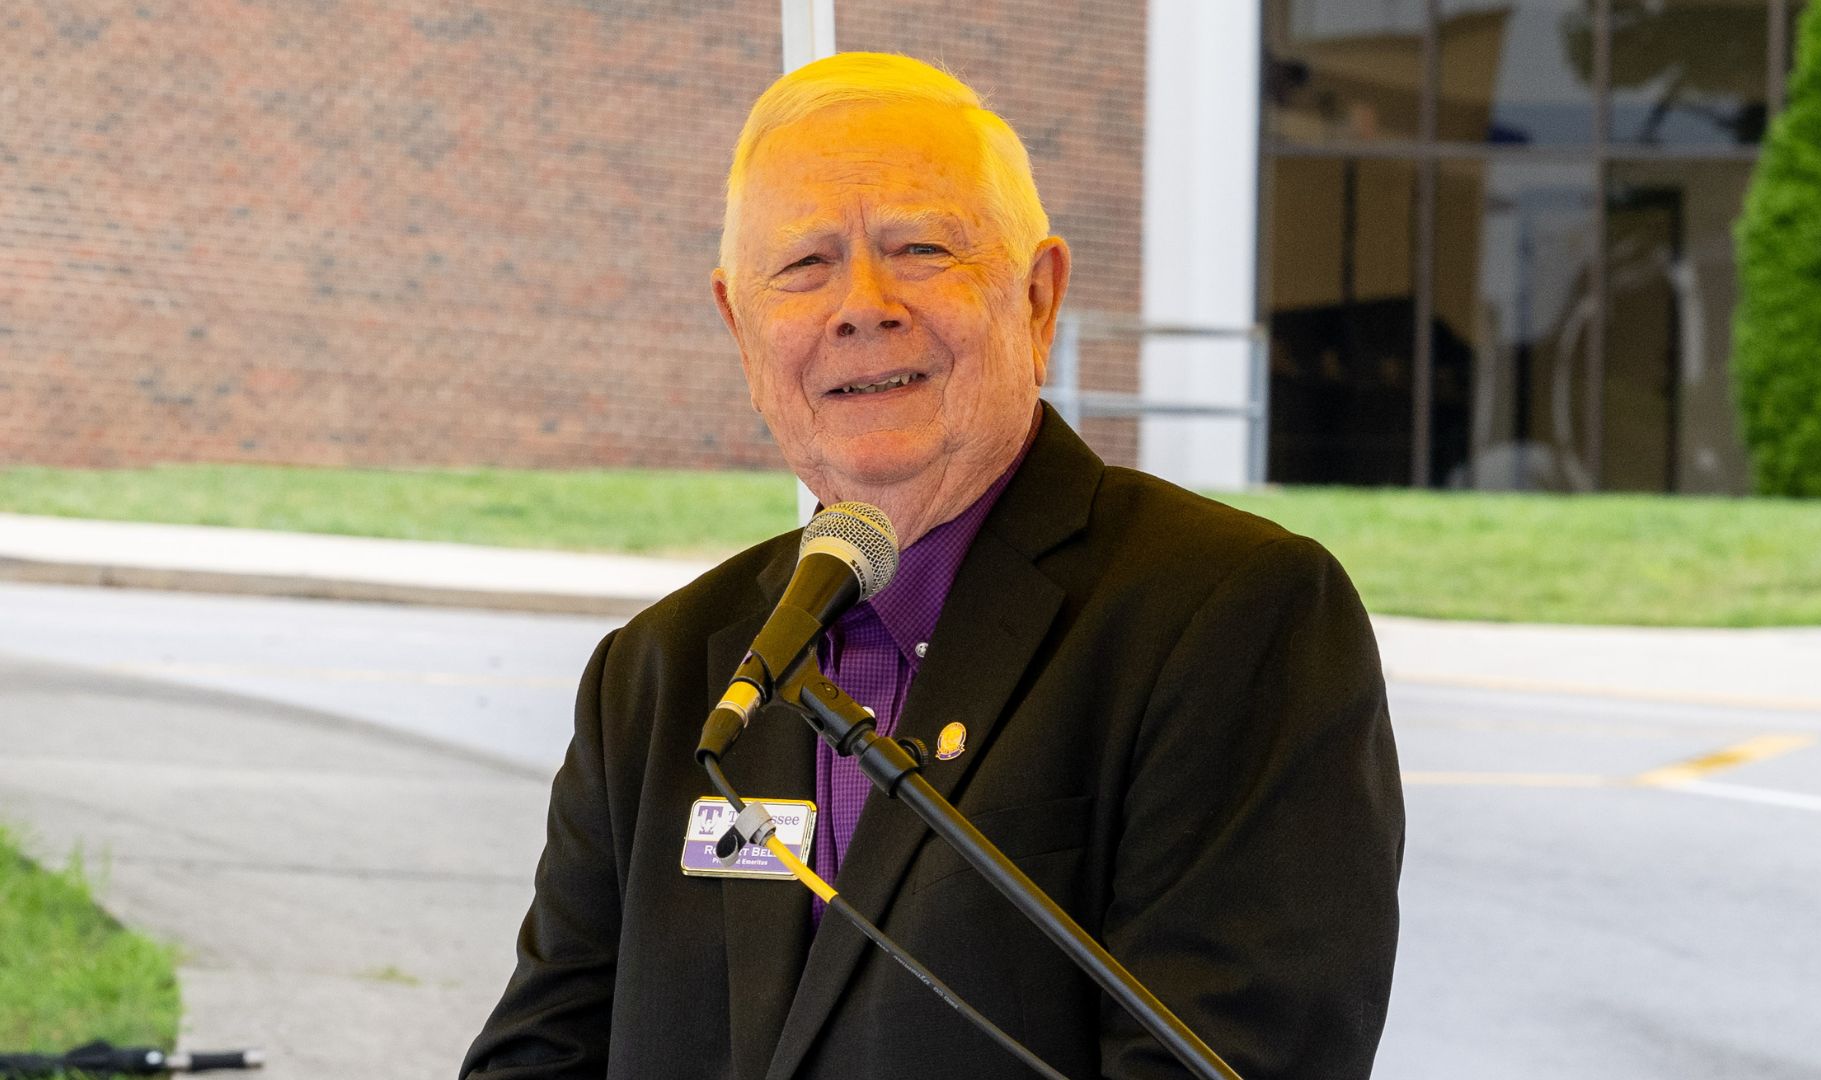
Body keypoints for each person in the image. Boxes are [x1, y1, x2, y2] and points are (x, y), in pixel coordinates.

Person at [462, 52, 1403, 1080]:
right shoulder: (656, 677)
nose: (861, 304)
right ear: (740, 328)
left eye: (918, 248)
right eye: (804, 266)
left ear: (1038, 300)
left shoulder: (1233, 619)